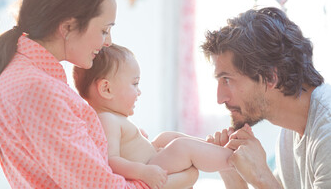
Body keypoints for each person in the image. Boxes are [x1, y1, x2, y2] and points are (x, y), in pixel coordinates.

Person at [0, 0, 197, 189]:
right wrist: (175, 181)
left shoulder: (23, 74)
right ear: (67, 28)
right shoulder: (38, 90)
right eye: (104, 30)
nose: (108, 42)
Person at [201, 7, 331, 189]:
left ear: (270, 77)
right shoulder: (289, 133)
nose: (220, 98)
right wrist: (232, 176)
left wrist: (261, 177)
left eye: (227, 80)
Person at [73, 44, 235, 189]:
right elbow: (111, 160)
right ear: (106, 89)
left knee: (166, 137)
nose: (139, 91)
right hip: (148, 167)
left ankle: (212, 149)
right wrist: (143, 172)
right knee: (181, 147)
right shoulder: (107, 119)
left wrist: (140, 140)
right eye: (134, 83)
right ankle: (233, 159)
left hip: (151, 160)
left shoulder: (113, 117)